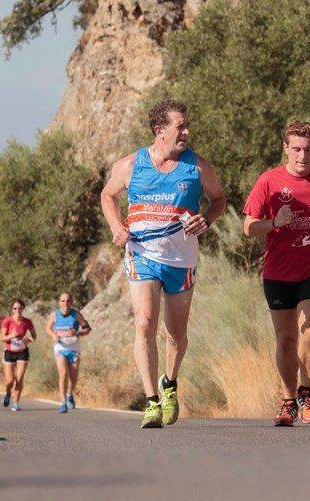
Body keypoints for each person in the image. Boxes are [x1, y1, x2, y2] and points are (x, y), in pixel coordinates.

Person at [100, 98, 226, 429]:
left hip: (181, 259)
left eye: (187, 125)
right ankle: (151, 402)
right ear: (160, 131)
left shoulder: (197, 167)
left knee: (175, 334)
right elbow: (107, 195)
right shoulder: (130, 165)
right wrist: (116, 227)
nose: (186, 131)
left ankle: (169, 384)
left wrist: (206, 220)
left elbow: (219, 200)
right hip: (142, 255)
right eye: (179, 126)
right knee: (144, 323)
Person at [242, 120, 310, 427]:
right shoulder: (268, 181)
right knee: (287, 339)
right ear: (286, 148)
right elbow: (249, 227)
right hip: (277, 272)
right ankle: (289, 400)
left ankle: (308, 390)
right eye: (298, 149)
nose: (304, 156)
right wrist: (274, 222)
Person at [45, 293, 92, 413]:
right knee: (63, 374)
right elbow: (48, 328)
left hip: (74, 348)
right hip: (60, 348)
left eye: (68, 301)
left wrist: (77, 333)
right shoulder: (54, 315)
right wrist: (53, 335)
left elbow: (87, 329)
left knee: (74, 377)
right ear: (59, 302)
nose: (65, 304)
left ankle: (69, 394)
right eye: (63, 301)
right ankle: (63, 402)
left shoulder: (76, 314)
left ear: (71, 302)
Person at [0, 299, 37, 411]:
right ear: (12, 310)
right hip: (10, 352)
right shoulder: (7, 321)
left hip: (22, 352)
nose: (17, 310)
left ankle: (15, 402)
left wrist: (28, 339)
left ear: (23, 309)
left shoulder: (27, 321)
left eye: (19, 308)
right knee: (10, 381)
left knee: (20, 379)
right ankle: (7, 394)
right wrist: (11, 336)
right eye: (15, 308)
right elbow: (2, 338)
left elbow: (34, 336)